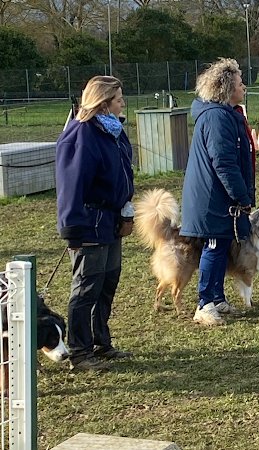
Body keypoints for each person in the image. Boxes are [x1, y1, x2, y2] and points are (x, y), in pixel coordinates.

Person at [56, 75, 134, 371]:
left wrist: (126, 210)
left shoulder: (114, 131)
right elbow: (71, 185)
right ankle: (79, 351)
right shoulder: (81, 134)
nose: (122, 103)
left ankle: (101, 342)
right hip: (90, 222)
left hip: (111, 220)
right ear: (103, 103)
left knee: (107, 282)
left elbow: (124, 173)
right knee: (86, 287)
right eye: (118, 99)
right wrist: (73, 229)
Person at [181, 58, 255, 325]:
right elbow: (223, 162)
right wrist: (241, 195)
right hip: (212, 199)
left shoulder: (222, 115)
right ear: (226, 89)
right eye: (239, 83)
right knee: (213, 246)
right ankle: (204, 304)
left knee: (222, 246)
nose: (243, 87)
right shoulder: (216, 118)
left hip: (219, 197)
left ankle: (217, 297)